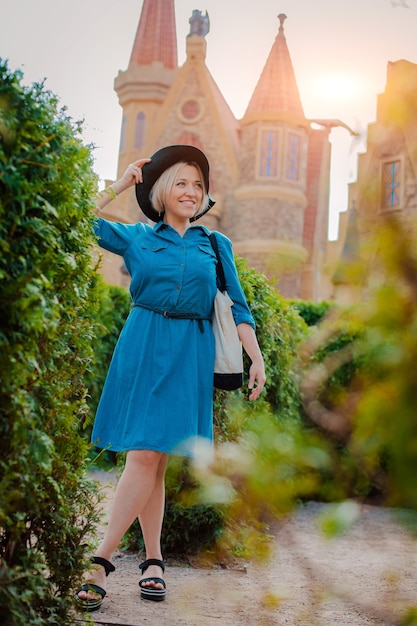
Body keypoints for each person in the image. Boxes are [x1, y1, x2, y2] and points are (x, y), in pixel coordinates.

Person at [75, 145, 266, 611]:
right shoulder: (137, 237)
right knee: (145, 456)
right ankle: (106, 561)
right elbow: (75, 216)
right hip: (144, 345)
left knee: (154, 460)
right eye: (181, 182)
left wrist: (255, 356)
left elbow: (238, 307)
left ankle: (149, 560)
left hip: (190, 354)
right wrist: (120, 185)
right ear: (161, 191)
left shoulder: (215, 246)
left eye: (198, 184)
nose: (191, 190)